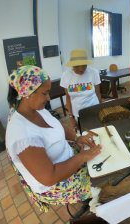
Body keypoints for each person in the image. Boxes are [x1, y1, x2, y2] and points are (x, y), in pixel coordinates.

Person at [6, 65, 101, 212]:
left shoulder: (37, 109)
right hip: (55, 184)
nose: (49, 98)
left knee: (98, 156)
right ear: (27, 93)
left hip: (67, 157)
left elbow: (58, 126)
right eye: (45, 93)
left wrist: (77, 138)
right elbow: (49, 177)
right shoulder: (22, 134)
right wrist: (82, 157)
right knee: (103, 182)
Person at [60, 49, 102, 130]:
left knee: (97, 132)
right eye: (77, 66)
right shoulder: (66, 75)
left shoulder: (93, 72)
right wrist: (71, 117)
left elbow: (98, 94)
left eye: (84, 65)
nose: (81, 69)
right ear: (72, 65)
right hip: (77, 113)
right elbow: (68, 98)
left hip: (93, 110)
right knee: (82, 134)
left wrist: (100, 110)